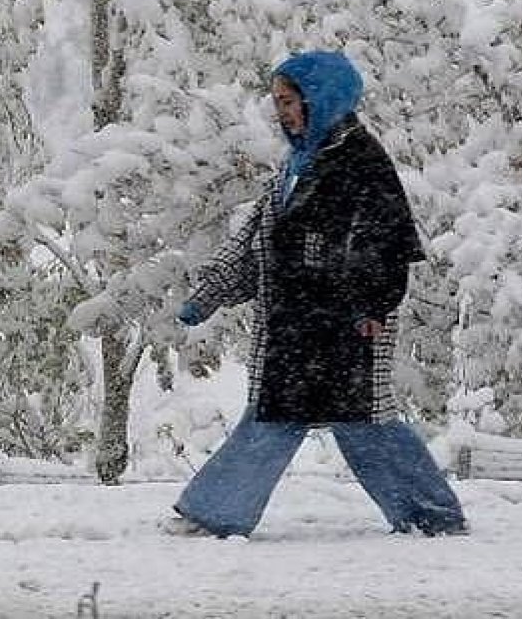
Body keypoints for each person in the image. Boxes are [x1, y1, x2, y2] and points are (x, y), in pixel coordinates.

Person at [162, 50, 467, 539]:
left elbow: (386, 242)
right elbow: (259, 237)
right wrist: (211, 292)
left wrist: (373, 305)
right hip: (299, 321)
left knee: (353, 421)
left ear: (320, 98)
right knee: (292, 414)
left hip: (346, 323)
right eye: (277, 102)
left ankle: (216, 513)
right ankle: (429, 514)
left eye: (289, 101)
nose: (281, 112)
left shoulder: (360, 162)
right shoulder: (301, 161)